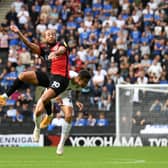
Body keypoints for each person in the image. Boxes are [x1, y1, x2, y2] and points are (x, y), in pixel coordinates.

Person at [0, 25, 69, 119]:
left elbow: (63, 50)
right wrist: (18, 33)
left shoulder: (61, 44)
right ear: (45, 37)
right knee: (23, 75)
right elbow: (29, 44)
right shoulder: (44, 50)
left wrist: (55, 53)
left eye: (53, 34)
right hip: (50, 76)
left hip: (61, 78)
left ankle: (49, 115)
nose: (51, 36)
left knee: (44, 97)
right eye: (48, 35)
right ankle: (4, 96)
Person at [40, 69, 91, 155]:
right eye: (85, 82)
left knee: (69, 115)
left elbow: (77, 89)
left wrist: (77, 100)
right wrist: (55, 94)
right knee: (39, 109)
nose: (85, 85)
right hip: (53, 90)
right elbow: (52, 80)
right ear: (79, 78)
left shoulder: (80, 83)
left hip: (65, 95)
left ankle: (61, 143)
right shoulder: (67, 75)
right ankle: (46, 118)